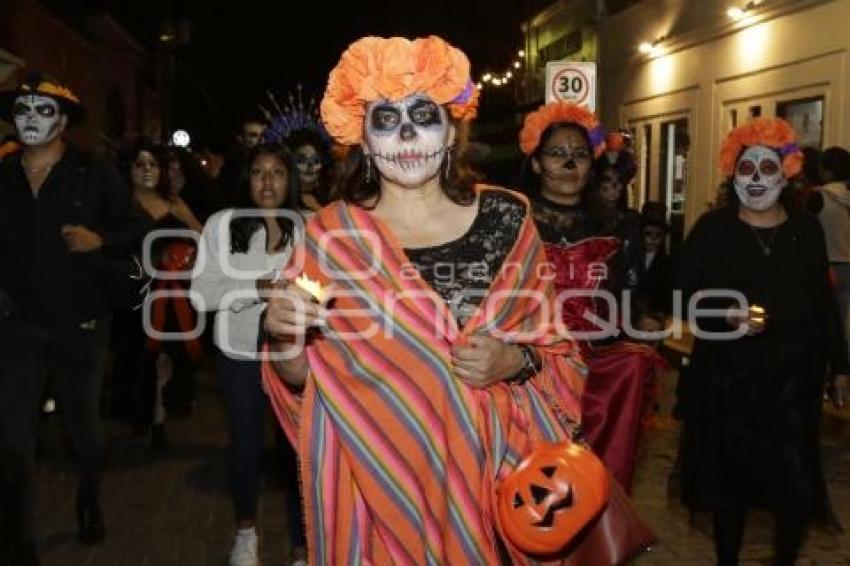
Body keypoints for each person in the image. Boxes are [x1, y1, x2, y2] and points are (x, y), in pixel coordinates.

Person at [261, 36, 590, 564]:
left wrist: (512, 359)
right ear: (363, 138)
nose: (407, 134)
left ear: (451, 129)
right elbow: (306, 379)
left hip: (493, 482)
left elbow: (558, 352)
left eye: (423, 114)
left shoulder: (508, 218)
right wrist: (284, 336)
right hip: (378, 488)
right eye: (386, 120)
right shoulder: (331, 236)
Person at [674, 117, 850, 565]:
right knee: (730, 491)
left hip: (793, 384)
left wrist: (841, 366)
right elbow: (676, 293)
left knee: (794, 491)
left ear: (786, 172)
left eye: (766, 169)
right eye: (746, 169)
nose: (756, 180)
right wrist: (723, 313)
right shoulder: (714, 229)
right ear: (732, 173)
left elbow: (823, 303)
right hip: (728, 383)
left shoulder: (806, 231)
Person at [0, 72, 146, 563]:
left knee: (84, 434)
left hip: (79, 327)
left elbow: (135, 228)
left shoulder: (93, 172)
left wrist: (99, 240)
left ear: (63, 121)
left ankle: (88, 501)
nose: (32, 119)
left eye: (45, 111)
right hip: (16, 327)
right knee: (14, 441)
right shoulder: (1, 175)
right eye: (24, 110)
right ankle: (19, 537)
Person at [517, 101, 666, 490]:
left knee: (589, 478)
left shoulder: (620, 224)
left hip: (596, 363)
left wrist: (642, 319)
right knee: (535, 478)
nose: (570, 165)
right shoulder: (512, 220)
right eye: (558, 154)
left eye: (580, 155)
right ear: (536, 164)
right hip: (532, 364)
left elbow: (628, 294)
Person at [191, 143, 306, 566]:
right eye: (259, 172)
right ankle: (245, 532)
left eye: (278, 172)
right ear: (246, 178)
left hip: (295, 354)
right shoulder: (223, 225)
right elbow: (201, 294)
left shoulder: (309, 225)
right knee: (246, 448)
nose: (268, 181)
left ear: (290, 179)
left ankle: (302, 545)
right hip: (239, 354)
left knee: (298, 451)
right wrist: (255, 288)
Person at [112, 139, 203, 447]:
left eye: (153, 164)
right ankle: (142, 412)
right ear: (129, 170)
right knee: (139, 359)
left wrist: (186, 256)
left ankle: (159, 417)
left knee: (167, 358)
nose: (147, 170)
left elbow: (203, 239)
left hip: (175, 293)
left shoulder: (175, 203)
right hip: (135, 295)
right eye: (140, 164)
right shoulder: (120, 205)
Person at [807, 146, 850, 365]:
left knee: (823, 322)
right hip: (848, 265)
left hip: (827, 265)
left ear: (827, 170)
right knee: (844, 323)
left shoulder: (818, 197)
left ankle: (825, 372)